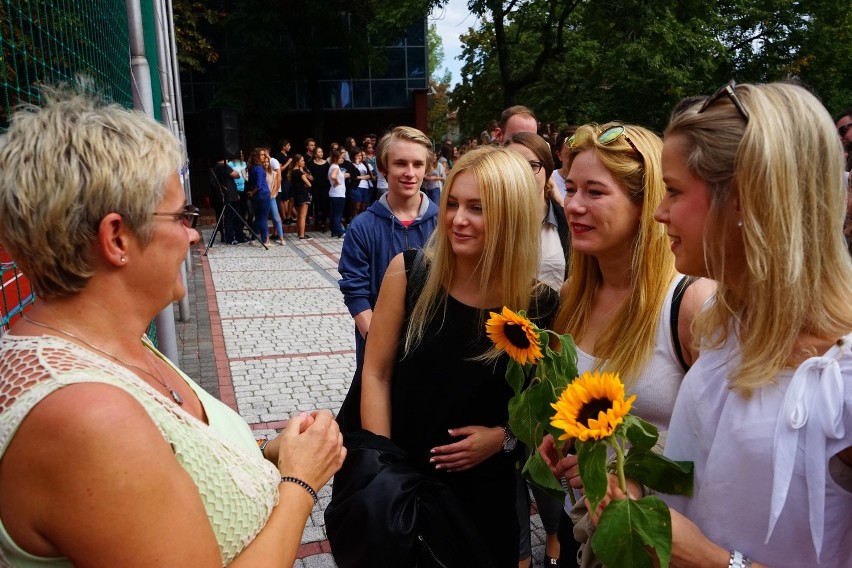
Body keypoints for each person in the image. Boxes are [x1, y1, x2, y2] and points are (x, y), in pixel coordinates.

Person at [0, 89, 345, 566]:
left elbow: (176, 475)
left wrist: (270, 454)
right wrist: (301, 482)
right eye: (182, 216)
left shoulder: (103, 343)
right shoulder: (88, 419)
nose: (193, 233)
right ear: (117, 238)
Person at [624, 81, 852, 567]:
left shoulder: (840, 375)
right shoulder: (724, 325)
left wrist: (712, 560)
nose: (660, 212)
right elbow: (714, 473)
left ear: (746, 197)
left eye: (675, 190)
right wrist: (624, 471)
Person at [360, 147, 559, 567]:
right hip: (406, 479)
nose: (456, 219)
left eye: (477, 208)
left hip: (486, 492)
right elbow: (375, 375)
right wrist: (386, 472)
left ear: (511, 216)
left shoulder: (540, 305)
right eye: (451, 203)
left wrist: (503, 437)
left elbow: (543, 405)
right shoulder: (409, 273)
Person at [538, 122, 713, 567]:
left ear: (646, 204)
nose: (573, 205)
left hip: (669, 544)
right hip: (588, 534)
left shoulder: (690, 304)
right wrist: (565, 438)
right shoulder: (571, 296)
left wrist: (632, 473)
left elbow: (728, 451)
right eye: (571, 188)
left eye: (595, 192)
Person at [338, 126, 439, 367]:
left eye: (417, 164)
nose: (410, 172)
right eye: (400, 163)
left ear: (427, 168)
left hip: (433, 353)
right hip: (379, 356)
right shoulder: (362, 227)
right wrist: (381, 346)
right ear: (383, 167)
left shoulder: (444, 224)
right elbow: (356, 294)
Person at [506, 131, 569, 291]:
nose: (523, 173)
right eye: (514, 166)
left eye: (533, 165)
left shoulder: (568, 223)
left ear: (547, 169)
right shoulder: (489, 222)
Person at [210, 157, 245, 244]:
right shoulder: (224, 166)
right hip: (230, 196)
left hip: (228, 195)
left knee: (232, 217)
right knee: (232, 218)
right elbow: (236, 175)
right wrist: (237, 172)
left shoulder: (215, 167)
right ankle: (232, 238)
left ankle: (238, 237)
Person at [288, 154, 313, 240]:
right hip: (303, 195)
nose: (304, 162)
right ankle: (302, 235)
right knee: (303, 216)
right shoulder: (299, 173)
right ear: (298, 162)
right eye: (302, 161)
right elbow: (309, 184)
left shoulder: (293, 172)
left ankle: (299, 232)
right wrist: (304, 174)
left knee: (299, 216)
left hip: (297, 195)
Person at [306, 146, 330, 231]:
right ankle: (317, 221)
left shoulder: (326, 163)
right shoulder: (311, 163)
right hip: (315, 186)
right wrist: (309, 176)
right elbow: (306, 171)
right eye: (319, 152)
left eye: (322, 152)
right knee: (316, 204)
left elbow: (329, 174)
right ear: (315, 154)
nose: (321, 153)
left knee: (324, 204)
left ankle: (323, 222)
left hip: (324, 186)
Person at [328, 149, 348, 238]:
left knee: (334, 213)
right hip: (338, 193)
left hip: (334, 193)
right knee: (338, 214)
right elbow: (333, 176)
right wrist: (336, 181)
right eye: (340, 157)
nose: (342, 159)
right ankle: (340, 232)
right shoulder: (335, 167)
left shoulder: (332, 166)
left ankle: (334, 231)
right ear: (336, 158)